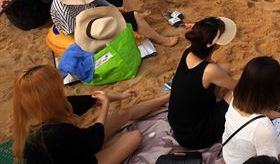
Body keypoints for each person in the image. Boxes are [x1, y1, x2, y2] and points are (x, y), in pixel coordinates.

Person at [13, 65, 170, 164]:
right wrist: (106, 107)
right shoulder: (53, 133)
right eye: (59, 89)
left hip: (74, 151)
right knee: (134, 136)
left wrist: (120, 96)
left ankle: (167, 97)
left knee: (122, 114)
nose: (63, 90)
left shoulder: (37, 109)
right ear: (51, 96)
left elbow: (91, 100)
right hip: (82, 155)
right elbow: (94, 140)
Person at [50, 0, 177, 46]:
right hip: (86, 27)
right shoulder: (63, 9)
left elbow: (97, 0)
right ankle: (161, 40)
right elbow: (75, 35)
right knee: (135, 17)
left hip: (93, 12)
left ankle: (132, 23)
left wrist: (116, 9)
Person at [169, 17, 237, 149]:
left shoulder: (188, 51)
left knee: (226, 68)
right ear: (216, 46)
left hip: (179, 125)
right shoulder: (210, 71)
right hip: (196, 136)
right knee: (237, 93)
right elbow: (238, 86)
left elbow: (211, 67)